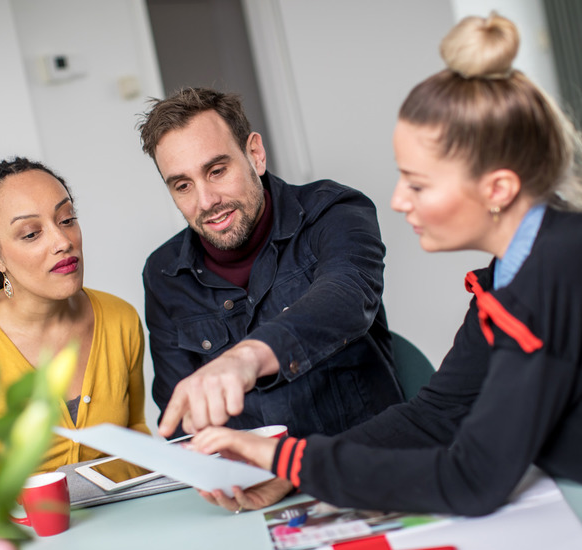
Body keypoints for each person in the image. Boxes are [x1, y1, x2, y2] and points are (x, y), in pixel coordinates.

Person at [190, 12, 582, 516]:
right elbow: (435, 416)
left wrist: (281, 455)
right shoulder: (516, 272)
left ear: (498, 189)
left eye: (418, 184)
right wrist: (294, 467)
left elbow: (472, 478)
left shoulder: (553, 275)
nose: (399, 200)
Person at [138, 87, 403, 440]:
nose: (206, 201)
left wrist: (246, 357)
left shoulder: (334, 211)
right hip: (246, 484)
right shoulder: (163, 273)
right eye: (183, 185)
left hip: (359, 466)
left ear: (255, 154)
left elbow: (346, 297)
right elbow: (182, 421)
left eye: (217, 171)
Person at [0, 157, 149, 473]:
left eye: (67, 219)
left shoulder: (120, 319)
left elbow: (136, 431)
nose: (63, 242)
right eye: (31, 233)